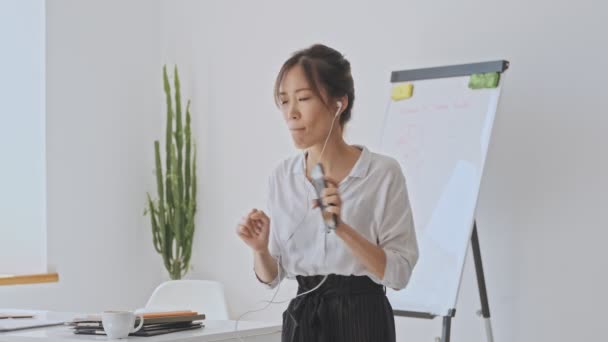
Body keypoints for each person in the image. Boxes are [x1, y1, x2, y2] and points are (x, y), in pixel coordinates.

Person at [236, 43, 418, 342]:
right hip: (303, 319)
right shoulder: (282, 177)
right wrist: (259, 249)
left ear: (339, 103)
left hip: (363, 318)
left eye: (304, 98)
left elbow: (399, 275)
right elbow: (271, 277)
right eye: (284, 101)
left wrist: (341, 228)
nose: (291, 113)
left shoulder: (383, 173)